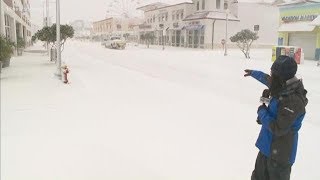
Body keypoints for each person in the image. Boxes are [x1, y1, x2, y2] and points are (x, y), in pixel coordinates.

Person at [244, 55, 308, 180]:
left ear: (281, 77)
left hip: (280, 155)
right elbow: (267, 79)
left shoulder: (293, 100)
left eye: (273, 73)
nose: (270, 76)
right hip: (266, 148)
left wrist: (262, 111)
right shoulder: (281, 86)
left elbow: (278, 128)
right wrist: (253, 73)